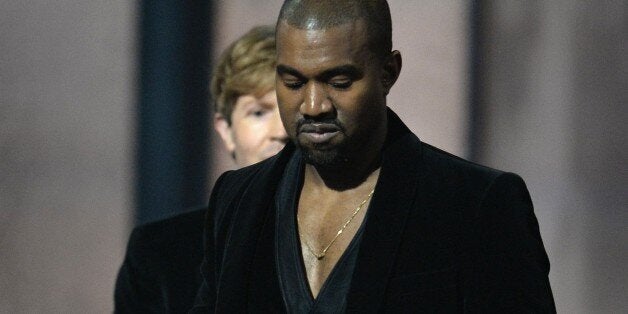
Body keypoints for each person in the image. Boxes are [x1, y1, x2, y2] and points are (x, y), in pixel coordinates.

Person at [190, 1, 556, 313]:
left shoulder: (476, 203)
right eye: (294, 82)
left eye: (339, 82)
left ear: (388, 73)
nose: (314, 106)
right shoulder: (237, 199)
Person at [114, 25, 287, 313]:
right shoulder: (158, 253)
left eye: (290, 110)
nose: (279, 131)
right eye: (258, 112)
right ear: (226, 130)